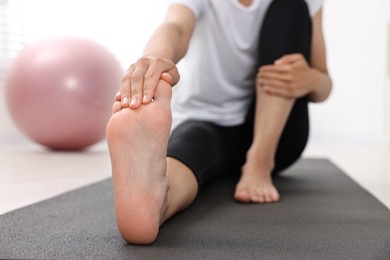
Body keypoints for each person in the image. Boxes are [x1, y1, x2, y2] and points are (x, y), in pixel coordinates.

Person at [106, 0, 332, 244]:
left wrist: (310, 80)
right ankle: (157, 201)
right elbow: (176, 27)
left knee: (290, 6)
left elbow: (324, 85)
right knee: (189, 149)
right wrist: (154, 58)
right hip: (209, 120)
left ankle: (259, 162)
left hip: (279, 136)